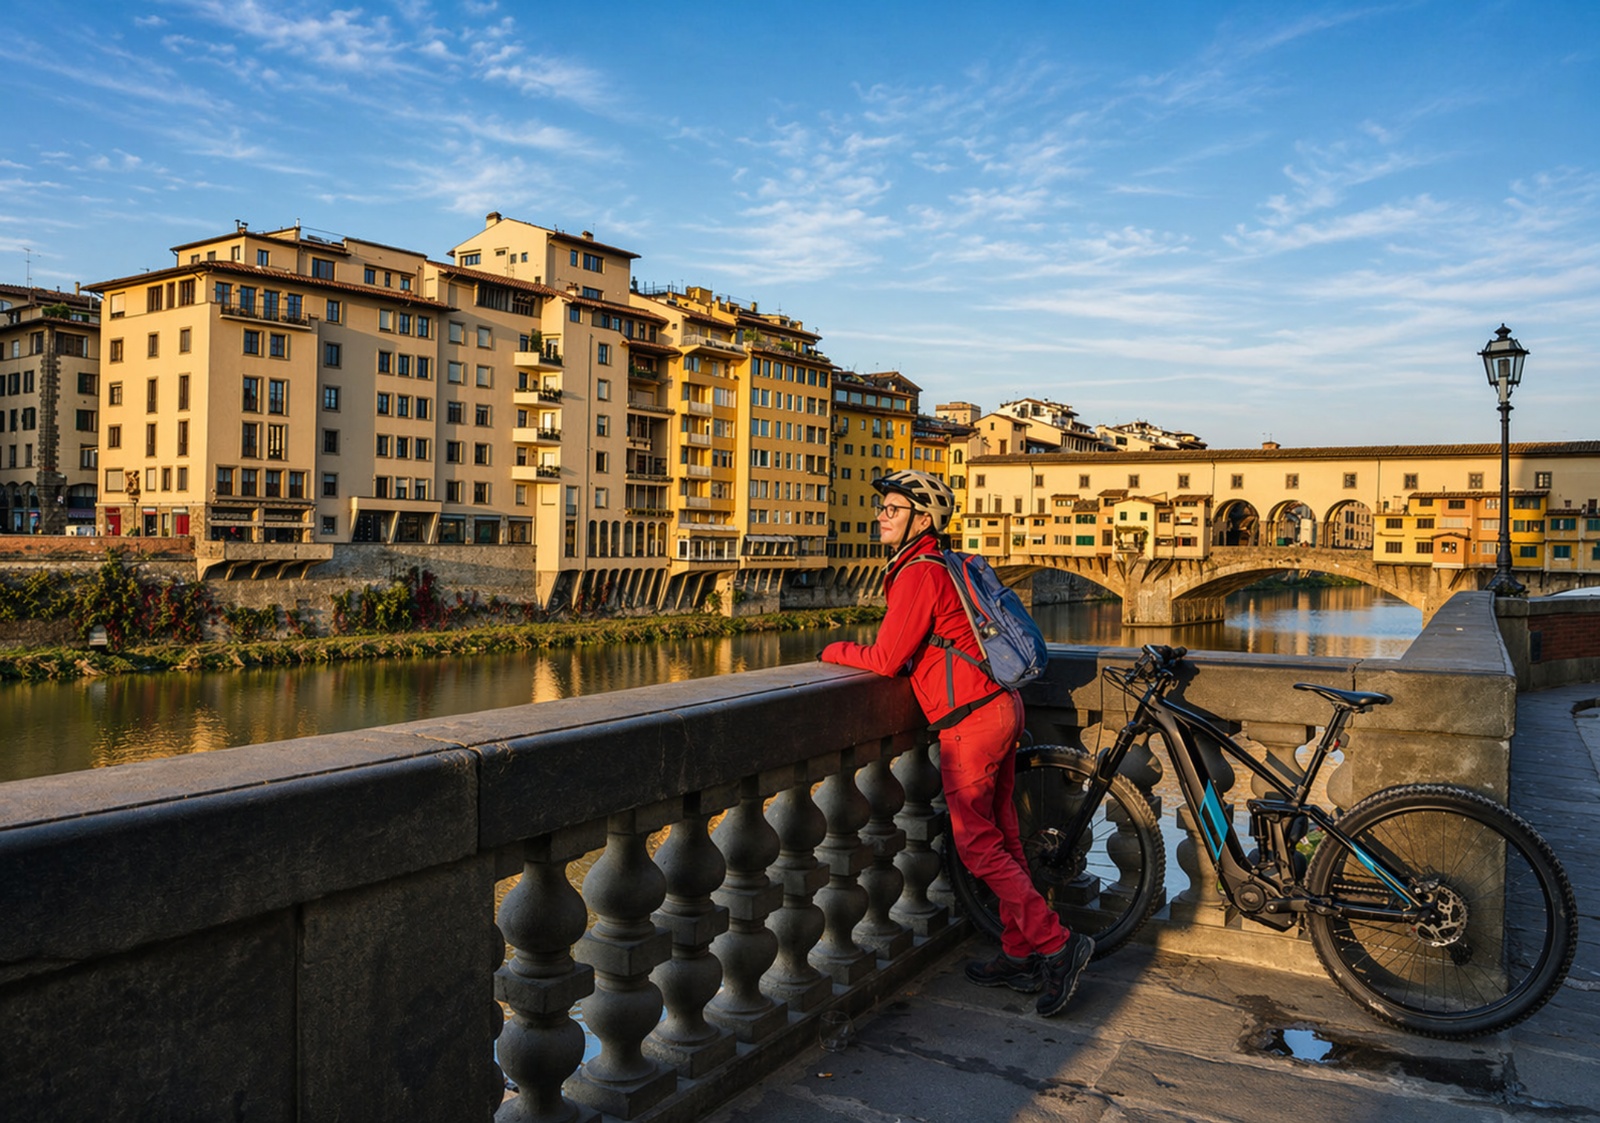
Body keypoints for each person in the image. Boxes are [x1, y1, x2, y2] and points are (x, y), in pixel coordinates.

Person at [818, 469, 1093, 1017]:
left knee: (976, 845)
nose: (882, 516)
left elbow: (888, 659)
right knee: (1006, 838)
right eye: (884, 508)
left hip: (970, 721)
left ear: (924, 519)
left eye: (893, 509)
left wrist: (833, 650)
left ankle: (1057, 945)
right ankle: (1019, 951)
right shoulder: (947, 563)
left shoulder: (919, 573)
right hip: (1002, 705)